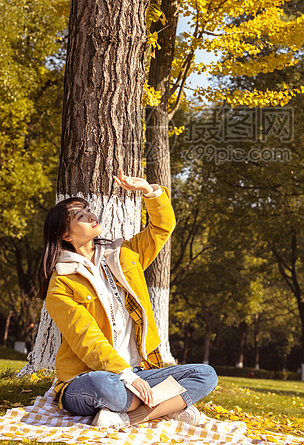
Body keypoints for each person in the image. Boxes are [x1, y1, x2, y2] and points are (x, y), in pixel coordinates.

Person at [38, 171, 218, 429]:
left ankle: (132, 417)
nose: (91, 215)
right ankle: (170, 406)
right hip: (89, 378)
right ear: (66, 236)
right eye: (81, 216)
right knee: (105, 387)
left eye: (88, 211)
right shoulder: (61, 282)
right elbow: (87, 339)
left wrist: (149, 191)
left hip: (139, 372)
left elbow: (161, 228)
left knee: (205, 375)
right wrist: (125, 376)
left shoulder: (124, 256)